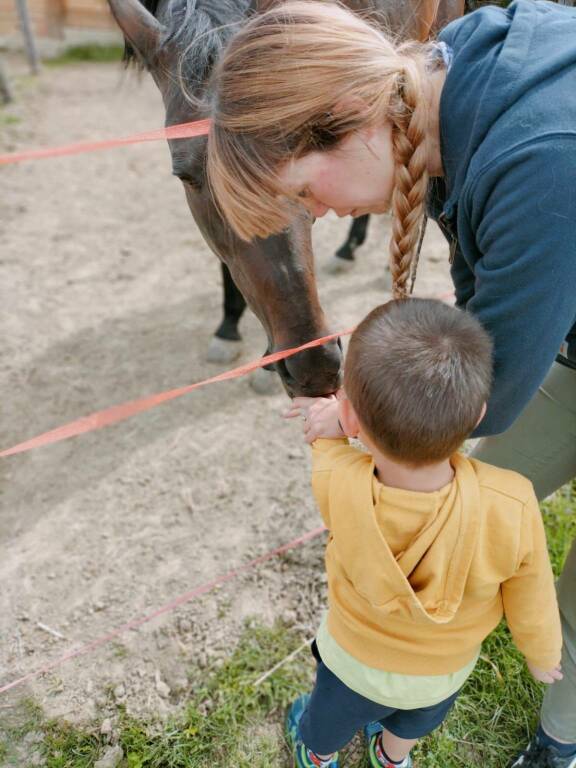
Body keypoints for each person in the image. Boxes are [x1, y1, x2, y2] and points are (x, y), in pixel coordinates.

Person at [196, 1, 576, 764]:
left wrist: (353, 414)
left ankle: (561, 740)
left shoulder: (542, 158)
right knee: (465, 515)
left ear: (347, 113)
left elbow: (487, 393)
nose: (324, 213)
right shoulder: (441, 78)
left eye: (306, 191)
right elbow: (482, 316)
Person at [278, 297, 561, 768]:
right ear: (477, 415)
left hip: (354, 663)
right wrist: (541, 652)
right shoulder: (512, 500)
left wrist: (332, 424)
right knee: (411, 724)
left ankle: (318, 754)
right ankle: (391, 758)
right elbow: (532, 589)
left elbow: (327, 447)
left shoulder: (338, 480)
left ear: (352, 419)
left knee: (326, 720)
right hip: (442, 671)